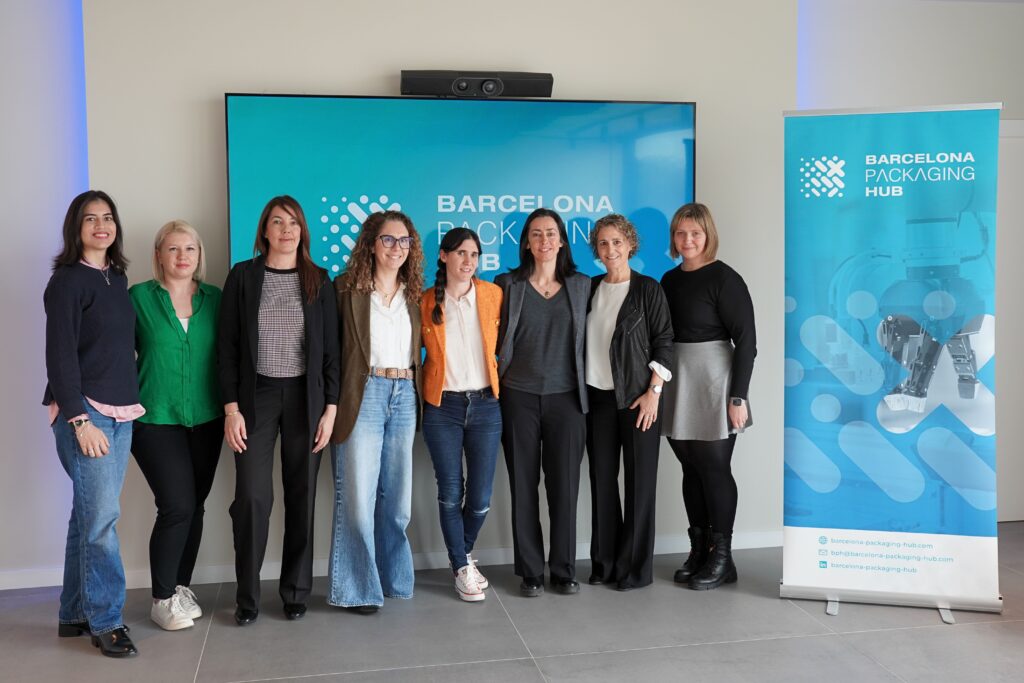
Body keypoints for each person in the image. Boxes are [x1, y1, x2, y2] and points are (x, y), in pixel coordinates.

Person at [218, 195, 339, 625]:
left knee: (302, 495)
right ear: (264, 231)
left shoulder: (319, 280)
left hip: (307, 401)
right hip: (256, 399)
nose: (286, 230)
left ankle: (294, 591)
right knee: (252, 496)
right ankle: (247, 597)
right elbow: (228, 348)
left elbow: (331, 354)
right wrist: (231, 409)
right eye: (277, 222)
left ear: (303, 231)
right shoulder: (243, 277)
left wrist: (330, 408)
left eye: (293, 223)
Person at [44, 190, 141, 657]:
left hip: (122, 413)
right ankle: (108, 622)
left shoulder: (116, 279)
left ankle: (73, 613)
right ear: (76, 228)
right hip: (87, 413)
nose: (101, 225)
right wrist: (80, 420)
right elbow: (59, 356)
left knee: (88, 516)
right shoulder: (66, 282)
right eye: (90, 218)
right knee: (102, 520)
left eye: (107, 217)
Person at [329, 210, 424, 614]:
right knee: (356, 498)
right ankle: (356, 589)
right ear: (371, 243)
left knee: (397, 501)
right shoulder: (344, 290)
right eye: (388, 240)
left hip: (404, 392)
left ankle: (393, 579)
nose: (396, 249)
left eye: (404, 242)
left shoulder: (416, 294)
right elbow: (330, 355)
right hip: (363, 392)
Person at [130, 220, 222, 630]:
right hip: (154, 419)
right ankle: (162, 598)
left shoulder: (216, 301)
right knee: (176, 505)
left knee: (195, 507)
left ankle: (181, 587)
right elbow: (106, 349)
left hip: (207, 418)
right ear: (158, 256)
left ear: (199, 256)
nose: (182, 256)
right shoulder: (138, 299)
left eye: (190, 249)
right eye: (173, 249)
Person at [495, 208, 591, 597]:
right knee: (523, 484)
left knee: (564, 487)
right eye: (536, 234)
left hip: (567, 398)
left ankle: (564, 569)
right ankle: (531, 571)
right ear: (526, 243)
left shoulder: (582, 285)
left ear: (563, 240)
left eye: (551, 234)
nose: (545, 241)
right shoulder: (508, 284)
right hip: (517, 395)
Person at [660, 202, 756, 590]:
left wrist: (738, 397)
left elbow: (746, 341)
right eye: (681, 233)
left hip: (715, 379)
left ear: (707, 235)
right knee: (690, 467)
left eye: (695, 233)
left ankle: (723, 557)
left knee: (714, 468)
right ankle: (699, 549)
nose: (687, 240)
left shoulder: (725, 279)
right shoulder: (668, 280)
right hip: (676, 377)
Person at [584, 214, 674, 591]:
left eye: (617, 242)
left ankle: (634, 570)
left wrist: (653, 393)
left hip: (638, 400)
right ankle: (605, 564)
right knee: (602, 484)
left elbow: (665, 342)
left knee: (639, 486)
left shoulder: (647, 289)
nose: (610, 250)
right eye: (603, 243)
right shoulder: (589, 288)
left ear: (630, 245)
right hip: (596, 399)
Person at [420, 228, 503, 602]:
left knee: (482, 496)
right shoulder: (424, 302)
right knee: (451, 492)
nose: (468, 261)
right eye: (460, 253)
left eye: (474, 254)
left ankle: (461, 559)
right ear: (443, 256)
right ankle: (461, 567)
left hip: (486, 404)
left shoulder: (493, 295)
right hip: (443, 407)